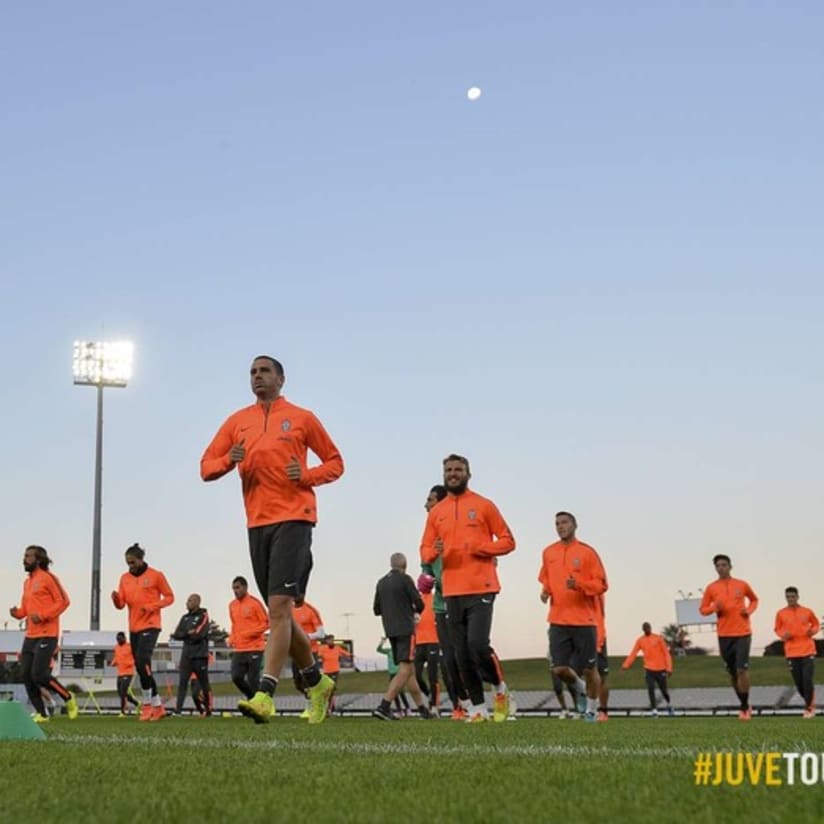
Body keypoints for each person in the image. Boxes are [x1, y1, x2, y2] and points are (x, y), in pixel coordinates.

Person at [200, 355, 344, 725]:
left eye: (264, 371)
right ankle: (316, 682)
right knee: (281, 613)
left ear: (281, 378)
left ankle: (265, 693)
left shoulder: (302, 417)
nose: (257, 376)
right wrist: (227, 461)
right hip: (257, 524)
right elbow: (205, 467)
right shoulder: (237, 422)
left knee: (279, 609)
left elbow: (335, 462)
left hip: (295, 519)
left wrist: (307, 475)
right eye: (252, 371)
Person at [420, 455, 516, 723]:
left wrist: (483, 547)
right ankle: (476, 708)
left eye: (458, 470)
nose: (453, 474)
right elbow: (425, 548)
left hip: (482, 586)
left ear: (468, 474)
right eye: (448, 470)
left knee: (477, 644)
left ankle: (499, 689)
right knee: (460, 653)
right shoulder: (437, 513)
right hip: (451, 590)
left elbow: (508, 541)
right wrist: (432, 553)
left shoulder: (484, 505)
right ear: (444, 475)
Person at [538, 512, 608, 723]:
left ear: (575, 525)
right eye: (557, 523)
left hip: (584, 621)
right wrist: (545, 591)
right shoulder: (549, 552)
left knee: (590, 669)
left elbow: (602, 585)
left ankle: (592, 711)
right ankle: (581, 691)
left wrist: (579, 585)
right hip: (558, 619)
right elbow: (547, 579)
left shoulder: (587, 553)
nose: (560, 526)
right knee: (559, 669)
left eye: (565, 522)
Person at [10, 545, 77, 722]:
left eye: (28, 556)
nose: (24, 559)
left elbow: (64, 601)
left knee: (39, 674)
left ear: (38, 560)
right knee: (26, 674)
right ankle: (42, 713)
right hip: (31, 635)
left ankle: (68, 697)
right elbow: (26, 609)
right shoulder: (27, 582)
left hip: (48, 633)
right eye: (24, 556)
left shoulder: (48, 578)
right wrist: (17, 613)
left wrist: (43, 615)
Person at [420, 483, 469, 720]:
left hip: (463, 598)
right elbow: (426, 569)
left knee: (471, 652)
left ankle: (499, 690)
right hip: (441, 603)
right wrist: (427, 580)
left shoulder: (456, 528)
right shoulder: (428, 535)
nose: (426, 504)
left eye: (430, 500)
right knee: (448, 660)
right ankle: (461, 705)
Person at [111, 543, 175, 721]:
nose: (130, 566)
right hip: (134, 627)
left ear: (141, 559)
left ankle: (147, 705)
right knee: (142, 667)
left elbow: (170, 597)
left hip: (151, 624)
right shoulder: (124, 578)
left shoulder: (156, 575)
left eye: (132, 562)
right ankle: (157, 706)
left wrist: (153, 606)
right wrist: (116, 600)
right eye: (127, 563)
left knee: (142, 660)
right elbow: (122, 604)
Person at [372, 553, 432, 720]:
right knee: (405, 669)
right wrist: (414, 611)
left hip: (390, 630)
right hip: (406, 628)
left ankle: (422, 709)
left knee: (409, 670)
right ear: (404, 566)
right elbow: (419, 603)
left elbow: (376, 609)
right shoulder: (405, 579)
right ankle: (384, 706)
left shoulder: (381, 582)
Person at [699, 554, 759, 721]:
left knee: (742, 670)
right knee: (733, 674)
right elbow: (702, 610)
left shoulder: (742, 584)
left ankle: (745, 707)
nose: (721, 568)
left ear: (730, 566)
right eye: (718, 565)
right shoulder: (711, 588)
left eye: (724, 565)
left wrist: (749, 611)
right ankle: (744, 704)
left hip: (743, 633)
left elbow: (754, 600)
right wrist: (713, 607)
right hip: (724, 635)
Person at [774, 587, 819, 718]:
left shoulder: (807, 611)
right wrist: (783, 635)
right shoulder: (781, 613)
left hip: (808, 650)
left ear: (797, 597)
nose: (790, 599)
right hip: (792, 652)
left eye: (793, 597)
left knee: (807, 680)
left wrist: (813, 630)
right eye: (788, 597)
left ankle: (809, 708)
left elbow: (816, 624)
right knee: (799, 683)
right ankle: (810, 704)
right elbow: (777, 629)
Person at [227, 576, 268, 700]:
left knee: (253, 680)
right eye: (233, 588)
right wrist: (232, 638)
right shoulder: (232, 605)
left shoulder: (255, 603)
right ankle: (252, 699)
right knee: (236, 677)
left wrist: (251, 633)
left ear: (245, 587)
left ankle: (260, 703)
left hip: (255, 647)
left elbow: (266, 623)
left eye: (238, 587)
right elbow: (234, 624)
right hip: (239, 649)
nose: (235, 590)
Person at [172, 594, 212, 716]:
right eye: (187, 600)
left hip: (199, 656)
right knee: (182, 683)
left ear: (197, 602)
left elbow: (199, 634)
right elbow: (177, 634)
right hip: (186, 656)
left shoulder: (203, 616)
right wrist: (188, 633)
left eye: (190, 600)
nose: (187, 602)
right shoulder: (184, 618)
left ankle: (208, 709)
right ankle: (178, 710)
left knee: (204, 683)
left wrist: (188, 635)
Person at [622, 622, 674, 716]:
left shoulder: (658, 638)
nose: (647, 629)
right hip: (649, 669)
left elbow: (666, 653)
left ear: (651, 628)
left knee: (664, 690)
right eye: (645, 628)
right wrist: (626, 664)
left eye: (648, 627)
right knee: (650, 687)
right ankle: (654, 709)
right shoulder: (640, 640)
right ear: (643, 629)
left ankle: (669, 704)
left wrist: (669, 668)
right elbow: (633, 653)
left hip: (661, 669)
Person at [293, 598, 327, 717]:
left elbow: (321, 633)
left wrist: (305, 636)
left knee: (306, 680)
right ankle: (320, 693)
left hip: (310, 651)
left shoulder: (311, 610)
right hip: (295, 651)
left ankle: (310, 708)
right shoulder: (289, 610)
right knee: (297, 682)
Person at [413, 574, 442, 715]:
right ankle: (430, 696)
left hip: (433, 642)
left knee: (432, 676)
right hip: (419, 643)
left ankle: (435, 707)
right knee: (416, 675)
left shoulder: (436, 599)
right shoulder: (415, 601)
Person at [316, 634, 353, 714]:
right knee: (326, 689)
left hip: (335, 671)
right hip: (327, 671)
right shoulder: (322, 649)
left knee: (331, 689)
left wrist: (350, 655)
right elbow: (319, 656)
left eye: (332, 640)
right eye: (329, 640)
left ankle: (330, 708)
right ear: (326, 641)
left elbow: (345, 653)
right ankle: (327, 706)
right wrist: (320, 658)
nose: (331, 641)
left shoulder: (337, 648)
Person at [376, 638, 411, 716]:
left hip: (398, 673)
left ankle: (407, 708)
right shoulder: (389, 651)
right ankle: (399, 710)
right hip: (391, 673)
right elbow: (378, 649)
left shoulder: (399, 652)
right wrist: (382, 642)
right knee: (393, 693)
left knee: (401, 692)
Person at [110, 632, 140, 716]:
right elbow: (117, 657)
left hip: (128, 673)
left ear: (124, 638)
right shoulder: (116, 647)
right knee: (121, 693)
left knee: (123, 692)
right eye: (117, 639)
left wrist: (130, 663)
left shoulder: (130, 647)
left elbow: (135, 657)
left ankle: (122, 712)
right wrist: (113, 663)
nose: (119, 641)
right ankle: (137, 703)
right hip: (120, 673)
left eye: (120, 639)